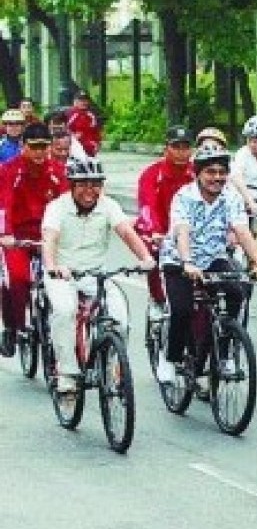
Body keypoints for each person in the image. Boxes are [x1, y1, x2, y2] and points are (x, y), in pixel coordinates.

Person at [156, 146, 257, 384]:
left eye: (222, 172)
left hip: (213, 258)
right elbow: (182, 231)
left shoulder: (232, 197)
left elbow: (242, 231)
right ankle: (170, 358)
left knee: (237, 293)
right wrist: (187, 262)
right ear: (198, 173)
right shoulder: (184, 197)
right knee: (182, 310)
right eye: (210, 172)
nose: (217, 177)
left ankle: (225, 354)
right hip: (179, 260)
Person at [41, 158, 155, 393]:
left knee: (120, 317)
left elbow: (126, 232)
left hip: (96, 274)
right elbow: (49, 239)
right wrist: (53, 266)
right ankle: (67, 372)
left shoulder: (109, 205)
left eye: (95, 184)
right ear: (71, 185)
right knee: (64, 311)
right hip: (63, 274)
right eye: (82, 184)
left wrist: (145, 258)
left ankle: (113, 366)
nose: (89, 191)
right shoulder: (57, 208)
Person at [0, 123, 69, 357]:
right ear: (23, 146)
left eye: (44, 147)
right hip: (17, 238)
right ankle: (14, 327)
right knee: (17, 279)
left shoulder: (58, 171)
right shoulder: (9, 171)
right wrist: (5, 235)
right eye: (34, 147)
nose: (39, 152)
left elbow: (68, 205)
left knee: (66, 278)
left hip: (49, 237)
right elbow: (4, 206)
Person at [135, 125, 195, 321]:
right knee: (152, 255)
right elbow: (147, 206)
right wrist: (155, 232)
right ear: (166, 149)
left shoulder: (198, 173)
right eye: (175, 147)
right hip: (160, 231)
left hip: (190, 233)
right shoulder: (151, 174)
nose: (181, 152)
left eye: (185, 147)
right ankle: (157, 299)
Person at [66, 90, 102, 157]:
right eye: (81, 100)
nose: (84, 103)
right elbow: (65, 129)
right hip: (75, 149)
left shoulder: (91, 115)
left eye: (85, 100)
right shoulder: (70, 114)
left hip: (90, 150)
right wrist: (73, 136)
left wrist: (98, 144)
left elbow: (96, 132)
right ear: (75, 101)